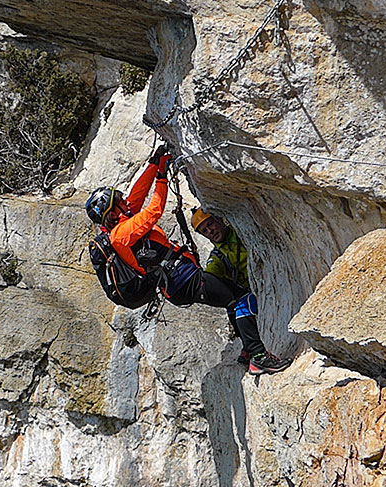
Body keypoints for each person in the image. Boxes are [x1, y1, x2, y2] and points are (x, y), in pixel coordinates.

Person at [84, 145, 289, 375]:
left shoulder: (121, 222)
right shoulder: (121, 235)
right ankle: (258, 357)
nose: (125, 200)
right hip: (182, 281)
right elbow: (153, 211)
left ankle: (247, 351)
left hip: (181, 280)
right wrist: (162, 178)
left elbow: (137, 195)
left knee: (231, 298)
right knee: (241, 299)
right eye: (118, 200)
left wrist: (154, 164)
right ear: (112, 213)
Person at [191, 207, 290, 375]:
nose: (210, 231)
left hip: (272, 281)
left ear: (219, 219)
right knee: (237, 303)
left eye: (210, 224)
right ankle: (256, 355)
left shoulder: (240, 231)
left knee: (242, 302)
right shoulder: (217, 257)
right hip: (257, 293)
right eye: (205, 231)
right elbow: (210, 278)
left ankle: (249, 349)